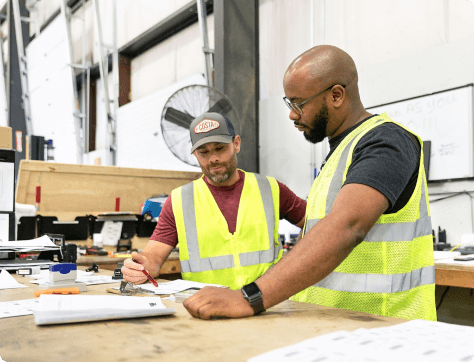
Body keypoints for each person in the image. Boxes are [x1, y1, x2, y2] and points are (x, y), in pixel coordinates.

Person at [183, 45, 436, 321]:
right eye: (289, 103)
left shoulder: (386, 142)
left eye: (298, 104)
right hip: (338, 328)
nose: (292, 114)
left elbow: (347, 226)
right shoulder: (339, 154)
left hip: (387, 330)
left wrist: (250, 297)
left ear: (336, 95)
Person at [121, 112, 306, 290]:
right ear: (194, 154)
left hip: (268, 306)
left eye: (220, 148)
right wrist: (142, 267)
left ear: (236, 144)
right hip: (208, 309)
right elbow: (153, 257)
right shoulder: (180, 201)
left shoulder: (270, 189)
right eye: (203, 152)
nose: (213, 159)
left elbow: (320, 225)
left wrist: (297, 261)